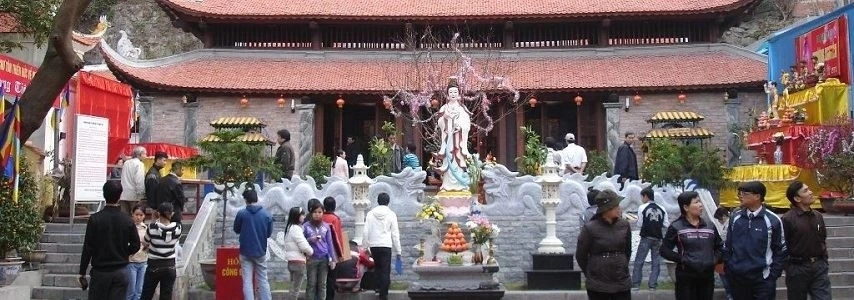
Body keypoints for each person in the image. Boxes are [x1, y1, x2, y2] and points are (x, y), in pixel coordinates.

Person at [724, 181, 787, 300]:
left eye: (745, 194)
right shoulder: (735, 218)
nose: (740, 196)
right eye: (740, 193)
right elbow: (728, 245)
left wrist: (773, 275)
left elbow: (780, 249)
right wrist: (730, 268)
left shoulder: (772, 220)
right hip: (738, 277)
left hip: (763, 278)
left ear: (757, 196)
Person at [78, 181, 141, 300]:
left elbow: (88, 247)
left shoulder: (95, 219)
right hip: (121, 270)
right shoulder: (127, 220)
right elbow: (136, 245)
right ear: (120, 196)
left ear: (104, 195)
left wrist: (82, 272)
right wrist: (123, 252)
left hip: (100, 272)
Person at [660, 191, 722, 300]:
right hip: (685, 277)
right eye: (696, 202)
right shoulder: (676, 226)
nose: (700, 205)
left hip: (706, 276)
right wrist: (683, 259)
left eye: (700, 202)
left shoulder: (710, 226)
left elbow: (720, 247)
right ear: (686, 207)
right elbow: (664, 250)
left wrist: (713, 260)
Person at [575, 189, 631, 300]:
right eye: (615, 206)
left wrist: (621, 264)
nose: (619, 208)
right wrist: (591, 272)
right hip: (598, 284)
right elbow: (581, 255)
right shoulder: (590, 228)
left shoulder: (624, 225)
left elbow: (627, 251)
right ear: (606, 209)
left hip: (621, 281)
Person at [782, 181, 830, 300]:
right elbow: (782, 245)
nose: (810, 192)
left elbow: (822, 238)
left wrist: (824, 260)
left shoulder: (818, 216)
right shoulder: (787, 219)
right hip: (797, 268)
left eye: (809, 189)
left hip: (819, 266)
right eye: (805, 191)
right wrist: (789, 267)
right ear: (797, 198)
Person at [233, 188, 273, 300]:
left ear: (245, 200)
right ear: (257, 198)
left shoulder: (241, 214)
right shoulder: (267, 215)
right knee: (263, 279)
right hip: (260, 251)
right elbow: (268, 234)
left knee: (247, 281)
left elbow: (236, 229)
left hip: (245, 252)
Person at [435, 77, 472, 192]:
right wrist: (445, 118)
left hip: (458, 140)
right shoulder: (444, 108)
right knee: (448, 159)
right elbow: (440, 123)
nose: (453, 94)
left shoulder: (462, 109)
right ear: (447, 95)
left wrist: (460, 127)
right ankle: (447, 185)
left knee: (459, 158)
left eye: (455, 92)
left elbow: (467, 124)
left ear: (459, 94)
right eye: (451, 92)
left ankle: (461, 185)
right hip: (448, 140)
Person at [362, 193, 402, 300]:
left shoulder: (370, 214)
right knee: (385, 269)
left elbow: (365, 231)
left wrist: (365, 246)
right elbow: (395, 234)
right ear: (388, 202)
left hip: (374, 245)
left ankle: (378, 287)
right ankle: (383, 294)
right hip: (386, 244)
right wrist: (398, 250)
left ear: (378, 201)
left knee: (377, 267)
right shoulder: (391, 214)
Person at [140, 203, 182, 300]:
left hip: (154, 265)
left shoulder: (152, 227)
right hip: (170, 265)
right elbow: (175, 240)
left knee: (146, 295)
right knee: (166, 296)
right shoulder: (178, 228)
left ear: (158, 213)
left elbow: (145, 242)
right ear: (171, 213)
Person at [632, 186, 668, 291]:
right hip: (658, 238)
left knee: (639, 261)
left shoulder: (642, 207)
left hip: (646, 237)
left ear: (645, 196)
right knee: (656, 262)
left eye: (642, 197)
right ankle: (652, 285)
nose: (641, 199)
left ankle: (636, 284)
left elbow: (639, 224)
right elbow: (666, 224)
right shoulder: (662, 208)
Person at [304, 198, 337, 300]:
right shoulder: (305, 226)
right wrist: (310, 239)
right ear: (311, 213)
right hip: (311, 258)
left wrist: (333, 259)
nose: (317, 214)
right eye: (315, 212)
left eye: (319, 212)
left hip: (324, 258)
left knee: (322, 284)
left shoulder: (326, 226)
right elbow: (302, 242)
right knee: (311, 284)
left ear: (323, 212)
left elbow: (330, 243)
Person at [283, 206, 313, 300]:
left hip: (291, 261)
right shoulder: (296, 229)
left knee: (293, 287)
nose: (304, 216)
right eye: (302, 214)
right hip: (298, 262)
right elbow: (304, 246)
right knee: (295, 289)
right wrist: (311, 251)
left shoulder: (289, 228)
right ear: (297, 216)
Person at [322, 196, 346, 300]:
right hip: (332, 253)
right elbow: (338, 238)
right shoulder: (335, 219)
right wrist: (341, 254)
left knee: (322, 279)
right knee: (331, 279)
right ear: (334, 206)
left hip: (321, 251)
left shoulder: (320, 217)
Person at [126, 204, 148, 300]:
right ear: (132, 214)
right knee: (130, 291)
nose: (138, 217)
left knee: (139, 290)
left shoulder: (146, 228)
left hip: (143, 261)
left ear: (144, 216)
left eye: (141, 215)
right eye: (136, 214)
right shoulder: (128, 227)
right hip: (131, 261)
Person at [713, 207, 733, 300]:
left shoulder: (729, 225)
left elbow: (725, 240)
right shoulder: (728, 224)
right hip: (725, 256)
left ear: (724, 216)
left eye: (719, 219)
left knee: (727, 280)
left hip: (726, 256)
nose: (719, 221)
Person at [120, 146, 147, 214]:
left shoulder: (126, 163)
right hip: (134, 195)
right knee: (135, 216)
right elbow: (139, 180)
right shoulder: (140, 164)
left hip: (123, 194)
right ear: (140, 154)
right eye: (145, 154)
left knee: (124, 216)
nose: (145, 156)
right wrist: (141, 194)